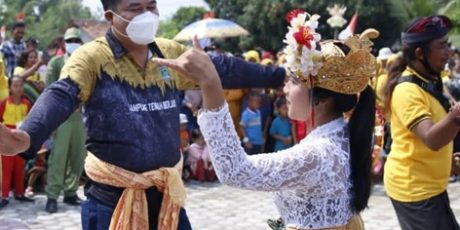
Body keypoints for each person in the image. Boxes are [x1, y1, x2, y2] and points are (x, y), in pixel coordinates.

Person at [0, 0, 287, 229]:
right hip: (111, 204)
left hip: (168, 200)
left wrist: (281, 76)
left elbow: (221, 69)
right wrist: (26, 137)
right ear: (110, 17)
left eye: (151, 6)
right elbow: (62, 94)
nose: (146, 15)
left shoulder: (167, 51)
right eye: (135, 9)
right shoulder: (92, 58)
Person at [155, 10, 377, 229]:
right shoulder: (343, 133)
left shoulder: (318, 154)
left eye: (293, 80)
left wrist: (210, 84)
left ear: (322, 100)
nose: (285, 88)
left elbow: (236, 170)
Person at [383, 15, 460, 230]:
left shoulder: (431, 79)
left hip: (430, 184)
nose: (448, 52)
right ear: (420, 53)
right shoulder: (407, 90)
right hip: (414, 189)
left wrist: (447, 161)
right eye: (442, 46)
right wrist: (456, 115)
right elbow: (431, 138)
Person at [44, 27, 87, 213]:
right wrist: (50, 121)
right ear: (64, 43)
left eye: (76, 40)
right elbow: (49, 92)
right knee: (58, 158)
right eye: (70, 40)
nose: (73, 43)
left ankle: (70, 192)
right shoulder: (55, 63)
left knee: (78, 158)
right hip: (61, 118)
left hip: (81, 118)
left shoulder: (86, 63)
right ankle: (52, 196)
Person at [0, 76, 34, 208]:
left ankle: (20, 193)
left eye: (20, 85)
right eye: (15, 85)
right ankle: (4, 196)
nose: (18, 88)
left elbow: (31, 120)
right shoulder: (4, 103)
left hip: (20, 137)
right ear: (10, 88)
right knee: (7, 168)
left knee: (20, 167)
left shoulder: (27, 104)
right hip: (7, 138)